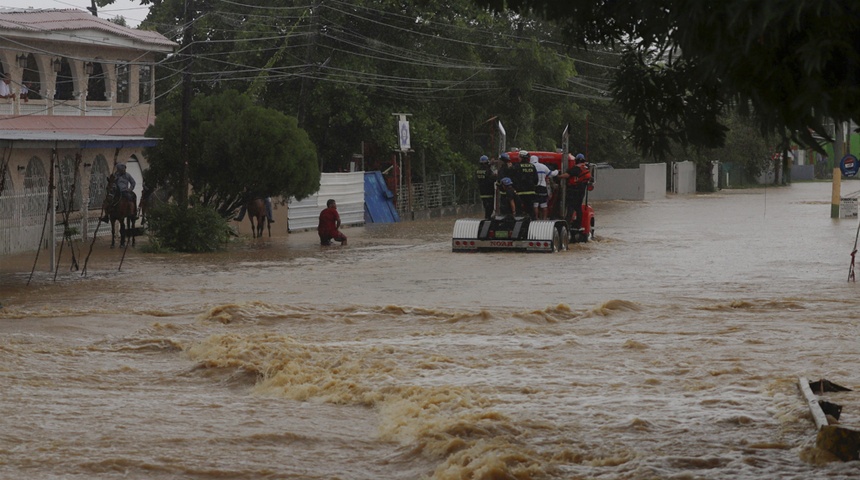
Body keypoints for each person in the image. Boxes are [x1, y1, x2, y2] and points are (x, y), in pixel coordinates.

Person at [557, 153, 592, 229]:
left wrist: (558, 177)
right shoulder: (585, 168)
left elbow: (567, 175)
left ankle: (567, 223)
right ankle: (578, 224)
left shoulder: (576, 168)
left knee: (570, 207)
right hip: (581, 191)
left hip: (574, 191)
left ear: (577, 160)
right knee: (578, 208)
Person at [511, 150, 537, 219]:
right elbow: (536, 179)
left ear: (522, 157)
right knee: (530, 208)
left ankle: (519, 223)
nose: (518, 158)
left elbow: (513, 178)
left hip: (520, 192)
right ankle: (533, 223)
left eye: (519, 157)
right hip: (531, 191)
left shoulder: (517, 166)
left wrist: (515, 187)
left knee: (519, 208)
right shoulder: (532, 166)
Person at [530, 155, 555, 219]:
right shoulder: (543, 166)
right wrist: (557, 171)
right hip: (543, 187)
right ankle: (544, 218)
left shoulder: (531, 166)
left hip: (534, 187)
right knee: (544, 205)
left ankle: (536, 218)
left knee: (535, 204)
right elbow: (551, 174)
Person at [475, 154, 496, 219]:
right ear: (487, 162)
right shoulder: (488, 171)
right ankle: (487, 221)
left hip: (482, 193)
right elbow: (492, 179)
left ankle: (487, 219)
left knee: (486, 208)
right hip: (489, 193)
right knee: (490, 209)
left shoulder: (477, 171)